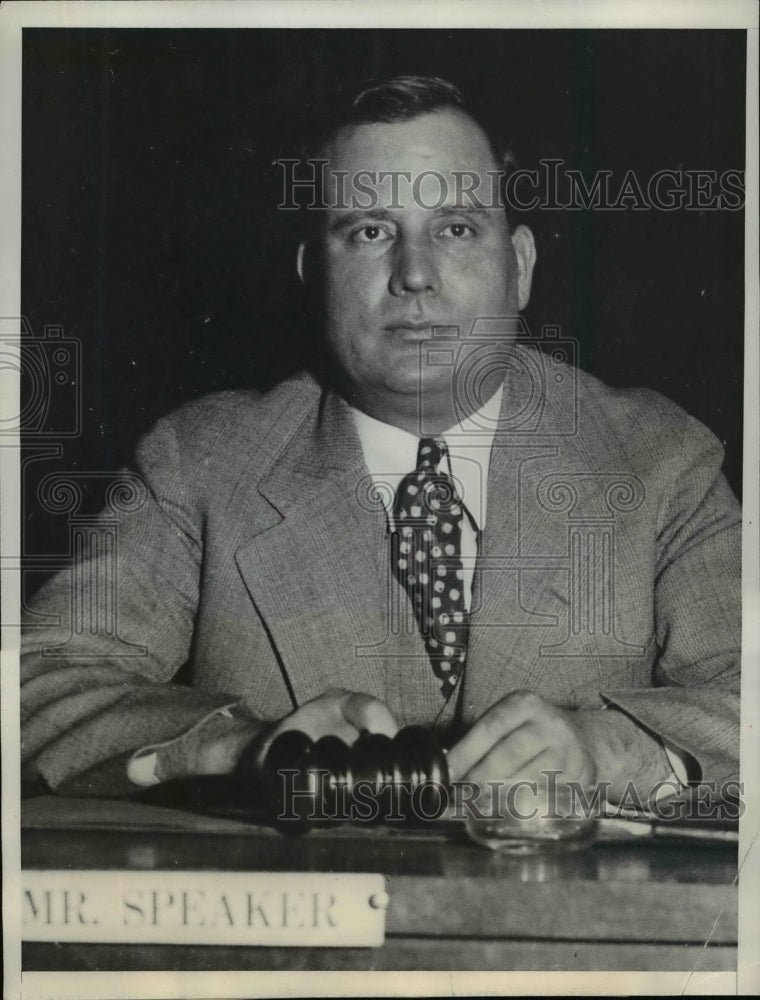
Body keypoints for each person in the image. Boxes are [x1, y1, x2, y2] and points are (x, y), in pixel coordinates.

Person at [20, 76, 740, 810]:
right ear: (313, 273)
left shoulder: (659, 460)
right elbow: (34, 682)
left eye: (456, 228)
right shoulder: (198, 463)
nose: (415, 275)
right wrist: (241, 748)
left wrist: (605, 750)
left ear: (519, 266)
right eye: (370, 231)